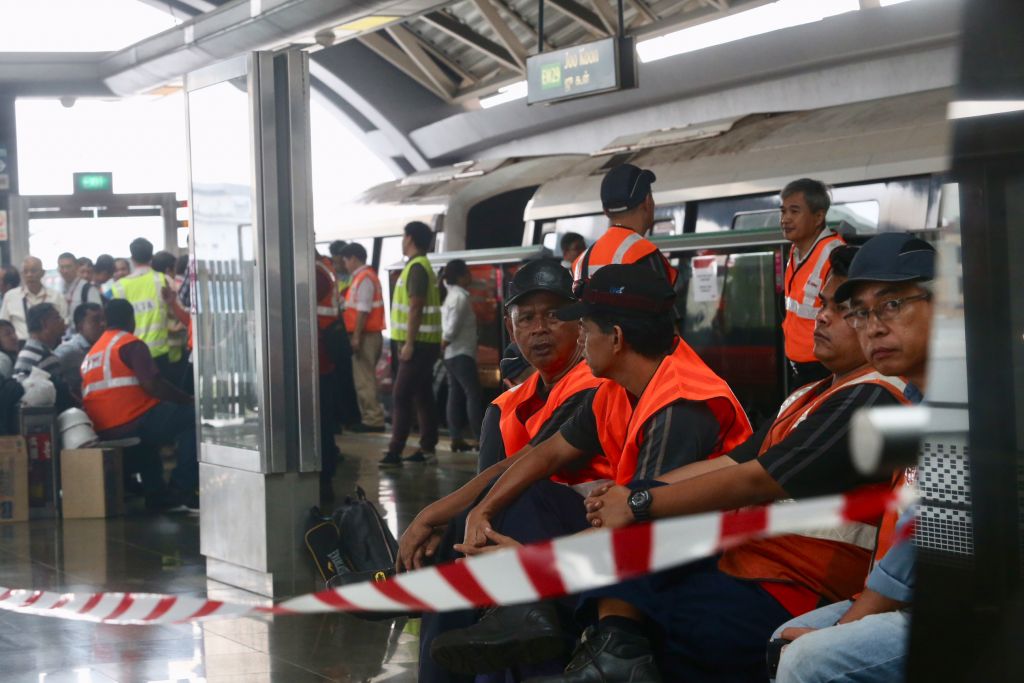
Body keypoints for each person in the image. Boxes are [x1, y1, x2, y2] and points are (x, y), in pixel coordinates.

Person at [521, 247, 912, 683]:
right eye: (822, 305)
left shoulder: (874, 396)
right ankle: (607, 645)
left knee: (642, 588)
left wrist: (639, 502)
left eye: (844, 311)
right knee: (616, 551)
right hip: (746, 562)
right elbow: (733, 460)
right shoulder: (808, 396)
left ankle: (601, 644)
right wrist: (630, 497)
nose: (820, 318)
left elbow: (756, 479)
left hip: (794, 585)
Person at [427, 264, 751, 679]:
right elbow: (545, 454)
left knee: (525, 572)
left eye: (586, 325)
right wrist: (480, 510)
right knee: (520, 501)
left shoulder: (680, 406)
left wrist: (531, 562)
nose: (579, 335)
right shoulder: (617, 387)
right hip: (634, 534)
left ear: (615, 338)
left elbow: (640, 526)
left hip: (702, 562)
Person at [403, 259, 632, 683]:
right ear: (512, 332)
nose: (539, 328)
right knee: (453, 557)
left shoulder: (595, 383)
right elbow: (488, 483)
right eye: (526, 318)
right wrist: (457, 523)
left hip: (591, 538)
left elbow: (528, 462)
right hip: (526, 538)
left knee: (523, 493)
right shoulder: (507, 405)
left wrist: (436, 514)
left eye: (553, 315)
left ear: (580, 324)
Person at [772, 232, 935, 683]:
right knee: (785, 639)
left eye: (893, 305)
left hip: (975, 605)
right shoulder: (922, 402)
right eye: (861, 313)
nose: (874, 327)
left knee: (809, 661)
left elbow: (917, 543)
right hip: (922, 595)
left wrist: (849, 625)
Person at [81, 299, 198, 511]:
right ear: (130, 319)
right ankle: (181, 488)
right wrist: (184, 399)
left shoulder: (92, 353)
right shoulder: (129, 344)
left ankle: (158, 495)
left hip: (102, 428)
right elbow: (153, 385)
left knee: (148, 440)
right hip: (133, 419)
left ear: (105, 321)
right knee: (194, 418)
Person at [380, 221, 443, 467]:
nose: (401, 240)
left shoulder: (417, 268)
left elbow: (415, 306)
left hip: (418, 344)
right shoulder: (420, 266)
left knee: (401, 394)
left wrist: (408, 344)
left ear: (410, 238)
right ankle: (427, 448)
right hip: (424, 342)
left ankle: (395, 450)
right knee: (422, 394)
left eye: (403, 236)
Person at [570, 164, 676, 294]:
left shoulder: (579, 263)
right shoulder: (645, 254)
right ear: (648, 202)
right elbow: (664, 307)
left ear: (606, 211)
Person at [780, 178, 845, 390]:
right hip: (799, 368)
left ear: (818, 217)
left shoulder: (836, 255)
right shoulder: (795, 252)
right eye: (783, 211)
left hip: (824, 369)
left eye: (794, 211)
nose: (785, 219)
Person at [109, 238, 174, 378]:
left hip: (132, 353)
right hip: (161, 352)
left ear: (132, 258)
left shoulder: (118, 287)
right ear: (151, 257)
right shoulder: (163, 280)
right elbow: (175, 313)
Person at [339, 242, 386, 433]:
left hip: (365, 336)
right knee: (366, 378)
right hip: (367, 334)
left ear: (353, 258)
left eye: (345, 260)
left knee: (364, 379)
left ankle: (373, 420)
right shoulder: (362, 277)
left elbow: (363, 310)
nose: (345, 264)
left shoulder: (364, 278)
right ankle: (371, 416)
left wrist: (356, 337)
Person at [441, 259, 483, 452]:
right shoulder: (460, 298)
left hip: (453, 353)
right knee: (473, 394)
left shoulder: (451, 296)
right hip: (460, 353)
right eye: (467, 272)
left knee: (455, 394)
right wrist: (445, 343)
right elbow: (451, 327)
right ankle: (480, 438)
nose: (470, 275)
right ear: (460, 276)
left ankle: (456, 437)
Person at [315, 249, 343, 502]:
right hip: (321, 358)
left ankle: (324, 472)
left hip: (317, 358)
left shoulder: (314, 273)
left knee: (320, 422)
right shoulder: (322, 269)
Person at [14, 303, 74, 411]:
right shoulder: (45, 357)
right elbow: (63, 397)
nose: (63, 322)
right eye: (57, 318)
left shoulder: (26, 352)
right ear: (44, 324)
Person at [0, 256, 67, 341]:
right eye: (25, 271)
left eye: (33, 271)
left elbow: (65, 323)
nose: (29, 275)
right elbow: (3, 326)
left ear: (43, 273)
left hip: (50, 345)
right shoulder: (11, 296)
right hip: (20, 346)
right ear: (22, 274)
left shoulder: (56, 296)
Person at [55, 302, 105, 402]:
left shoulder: (105, 346)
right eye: (95, 320)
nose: (102, 324)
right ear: (80, 327)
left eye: (103, 319)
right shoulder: (68, 350)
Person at [57, 251, 102, 325]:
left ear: (76, 267)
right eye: (62, 267)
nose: (65, 271)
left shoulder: (88, 289)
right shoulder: (57, 291)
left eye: (68, 267)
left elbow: (97, 316)